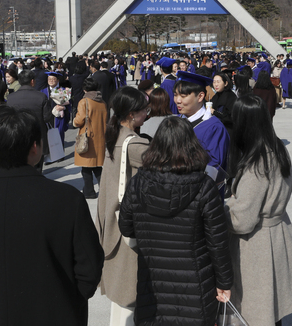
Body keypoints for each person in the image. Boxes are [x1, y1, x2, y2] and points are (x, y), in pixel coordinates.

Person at [0, 107, 104, 325]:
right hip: (57, 314)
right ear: (35, 147)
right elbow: (89, 269)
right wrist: (67, 300)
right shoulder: (68, 200)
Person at [118, 116, 233, 325]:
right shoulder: (204, 186)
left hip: (151, 282)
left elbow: (126, 226)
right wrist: (225, 281)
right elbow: (218, 242)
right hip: (195, 283)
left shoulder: (137, 183)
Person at [225, 95, 292, 325]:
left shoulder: (257, 163)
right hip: (278, 232)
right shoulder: (277, 147)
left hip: (256, 244)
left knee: (256, 312)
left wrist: (223, 206)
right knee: (272, 311)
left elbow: (242, 220)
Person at [95, 87, 150, 325]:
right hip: (126, 225)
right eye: (144, 110)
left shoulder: (113, 135)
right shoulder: (135, 145)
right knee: (130, 294)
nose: (147, 114)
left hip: (109, 220)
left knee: (120, 296)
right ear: (132, 114)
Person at [174, 72, 230, 195]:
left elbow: (214, 167)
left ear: (200, 97)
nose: (178, 100)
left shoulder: (214, 127)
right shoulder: (177, 121)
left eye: (183, 96)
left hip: (202, 197)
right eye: (175, 95)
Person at [6, 70, 54, 171]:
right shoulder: (41, 97)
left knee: (19, 164)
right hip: (37, 136)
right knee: (37, 166)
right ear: (32, 81)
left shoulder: (10, 98)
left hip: (17, 135)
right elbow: (47, 117)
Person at [72, 77, 107, 199]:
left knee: (86, 169)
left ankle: (89, 191)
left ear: (85, 89)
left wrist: (74, 122)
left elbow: (79, 120)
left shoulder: (84, 101)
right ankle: (105, 189)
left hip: (87, 138)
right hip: (100, 138)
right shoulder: (102, 102)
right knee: (97, 167)